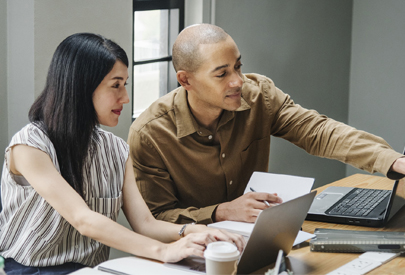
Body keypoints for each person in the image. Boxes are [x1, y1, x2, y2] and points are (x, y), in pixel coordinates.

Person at [0, 33, 244, 275]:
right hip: (28, 270)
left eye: (124, 85)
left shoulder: (116, 149)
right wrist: (163, 251)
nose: (125, 97)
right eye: (115, 85)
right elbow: (83, 220)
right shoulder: (29, 145)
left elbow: (146, 224)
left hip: (91, 270)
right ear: (81, 87)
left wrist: (192, 231)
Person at [128, 23, 405, 225]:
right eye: (222, 74)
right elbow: (156, 217)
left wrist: (392, 160)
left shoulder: (259, 94)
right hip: (190, 253)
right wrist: (221, 212)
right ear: (185, 80)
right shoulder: (150, 134)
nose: (237, 80)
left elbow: (318, 131)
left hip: (257, 236)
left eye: (238, 66)